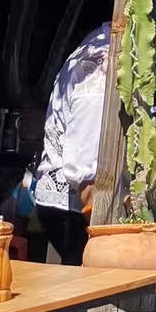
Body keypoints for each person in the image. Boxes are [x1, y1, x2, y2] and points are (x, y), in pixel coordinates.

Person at [30, 21, 111, 265]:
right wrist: (106, 225)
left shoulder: (111, 48)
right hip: (77, 205)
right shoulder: (101, 62)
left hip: (78, 204)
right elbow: (84, 165)